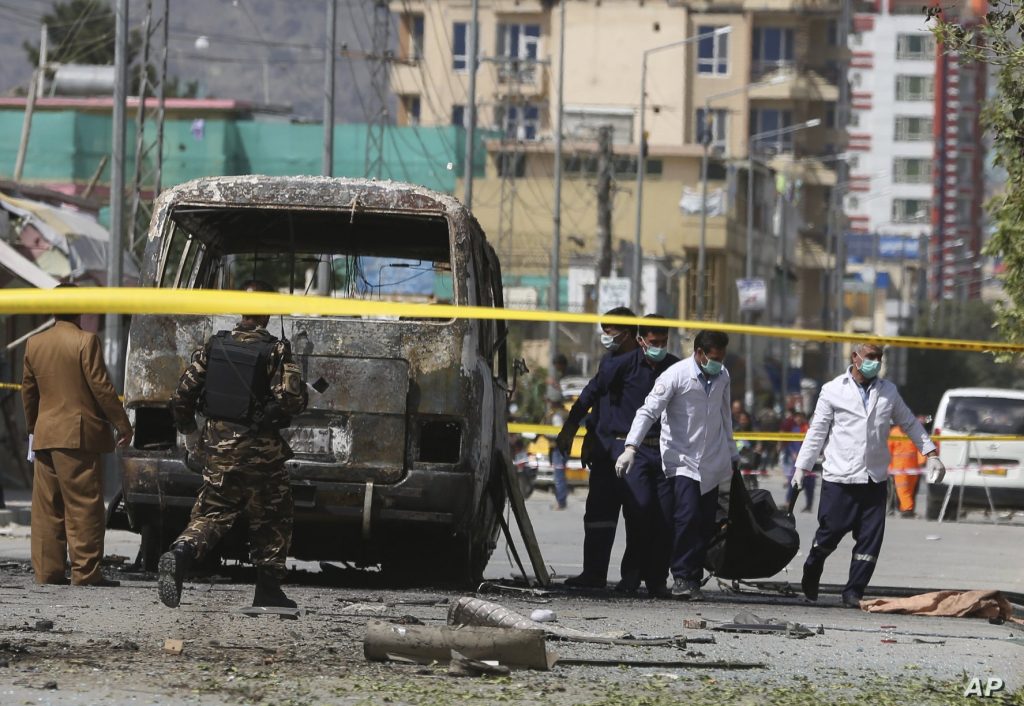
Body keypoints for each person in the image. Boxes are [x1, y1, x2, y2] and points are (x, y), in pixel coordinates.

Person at [160, 280, 308, 609]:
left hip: (218, 451)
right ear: (267, 312)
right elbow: (292, 402)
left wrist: (190, 431)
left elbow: (181, 396)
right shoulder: (275, 350)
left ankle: (181, 552)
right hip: (262, 456)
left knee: (211, 514)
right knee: (273, 516)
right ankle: (268, 590)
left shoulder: (215, 346)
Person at [792, 342, 944, 608]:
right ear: (855, 357)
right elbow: (817, 431)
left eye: (879, 358)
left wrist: (930, 453)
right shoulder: (832, 390)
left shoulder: (888, 392)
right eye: (871, 357)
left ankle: (854, 591)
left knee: (870, 540)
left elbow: (908, 422)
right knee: (830, 533)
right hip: (840, 478)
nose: (876, 362)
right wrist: (801, 467)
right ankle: (814, 564)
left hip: (874, 479)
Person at [21, 282, 133, 586]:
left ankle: (48, 572)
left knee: (46, 509)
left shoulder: (34, 343)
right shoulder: (86, 341)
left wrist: (34, 428)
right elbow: (102, 389)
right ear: (80, 307)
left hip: (45, 435)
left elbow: (28, 394)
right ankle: (85, 572)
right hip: (77, 437)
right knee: (84, 506)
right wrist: (122, 424)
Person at [617, 329, 737, 600]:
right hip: (681, 459)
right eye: (714, 358)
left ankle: (691, 578)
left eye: (722, 357)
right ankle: (682, 576)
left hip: (711, 460)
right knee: (687, 517)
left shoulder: (723, 376)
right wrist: (630, 448)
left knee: (706, 523)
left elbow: (725, 415)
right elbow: (648, 411)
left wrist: (732, 451)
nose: (719, 363)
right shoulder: (675, 375)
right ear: (699, 353)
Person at [555, 307, 638, 589]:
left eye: (610, 331)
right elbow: (598, 400)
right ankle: (594, 573)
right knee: (598, 516)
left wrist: (571, 427)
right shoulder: (610, 360)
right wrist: (587, 432)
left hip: (633, 450)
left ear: (626, 334)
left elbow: (593, 391)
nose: (605, 336)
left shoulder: (635, 363)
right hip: (605, 449)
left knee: (637, 516)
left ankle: (632, 577)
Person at [887, 418, 926, 518]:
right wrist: (889, 466)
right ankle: (907, 510)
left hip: (913, 469)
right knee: (902, 489)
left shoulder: (913, 432)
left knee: (910, 490)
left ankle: (905, 509)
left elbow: (920, 448)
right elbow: (888, 451)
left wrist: (921, 462)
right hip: (898, 469)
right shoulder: (894, 433)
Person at [782, 411, 814, 511]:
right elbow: (790, 443)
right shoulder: (794, 429)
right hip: (796, 461)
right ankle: (787, 503)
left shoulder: (808, 429)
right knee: (793, 480)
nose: (798, 419)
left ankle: (809, 505)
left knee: (809, 484)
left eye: (800, 417)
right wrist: (792, 453)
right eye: (796, 417)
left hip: (807, 460)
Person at [543, 394, 569, 510]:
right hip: (563, 448)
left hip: (558, 449)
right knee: (560, 475)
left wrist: (545, 433)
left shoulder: (557, 416)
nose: (549, 403)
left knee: (558, 477)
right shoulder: (564, 412)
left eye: (550, 401)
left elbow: (556, 433)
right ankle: (561, 501)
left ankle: (561, 502)